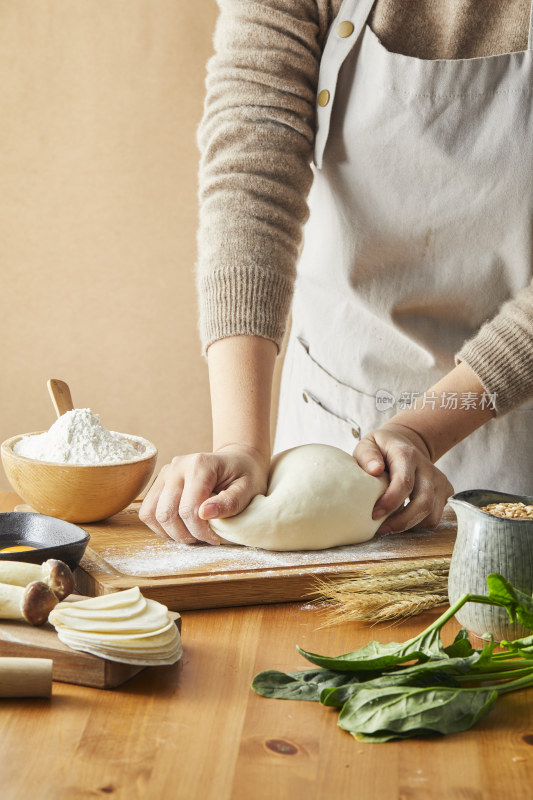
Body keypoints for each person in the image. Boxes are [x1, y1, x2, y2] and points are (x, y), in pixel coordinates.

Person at [140, 0, 533, 545]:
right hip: (333, 413)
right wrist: (242, 446)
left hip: (517, 439)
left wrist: (420, 430)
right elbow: (253, 160)